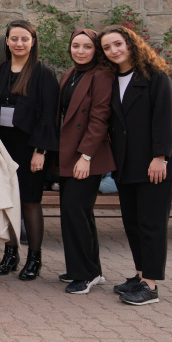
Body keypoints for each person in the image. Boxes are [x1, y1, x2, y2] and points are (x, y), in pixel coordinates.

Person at [100, 25, 172, 306]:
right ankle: (140, 274)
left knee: (151, 224)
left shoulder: (156, 77)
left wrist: (161, 157)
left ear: (131, 43)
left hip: (154, 165)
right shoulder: (113, 79)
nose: (113, 50)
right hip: (126, 165)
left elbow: (166, 119)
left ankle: (151, 285)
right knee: (133, 224)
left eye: (118, 44)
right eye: (107, 47)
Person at [0, 20, 59, 281]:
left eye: (24, 39)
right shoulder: (1, 70)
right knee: (7, 202)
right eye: (14, 39)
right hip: (4, 148)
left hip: (30, 148)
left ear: (33, 42)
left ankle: (34, 258)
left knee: (30, 202)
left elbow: (49, 115)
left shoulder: (43, 73)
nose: (19, 43)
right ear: (7, 41)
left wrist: (41, 150)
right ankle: (11, 253)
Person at [56, 29, 115, 294]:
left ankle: (86, 274)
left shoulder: (101, 75)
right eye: (76, 46)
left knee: (75, 210)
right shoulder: (71, 73)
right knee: (78, 212)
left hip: (87, 156)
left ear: (96, 50)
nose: (80, 51)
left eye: (87, 46)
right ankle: (89, 269)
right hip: (68, 153)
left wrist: (86, 156)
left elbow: (100, 118)